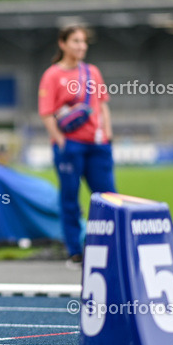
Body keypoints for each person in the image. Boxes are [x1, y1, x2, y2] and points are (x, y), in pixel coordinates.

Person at [38, 25, 115, 264]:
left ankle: (111, 245)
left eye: (83, 42)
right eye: (75, 41)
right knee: (70, 199)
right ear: (62, 44)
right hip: (70, 146)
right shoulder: (52, 75)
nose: (81, 46)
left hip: (97, 145)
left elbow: (102, 105)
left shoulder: (92, 71)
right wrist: (61, 142)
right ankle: (75, 250)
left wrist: (108, 135)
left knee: (108, 198)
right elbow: (46, 113)